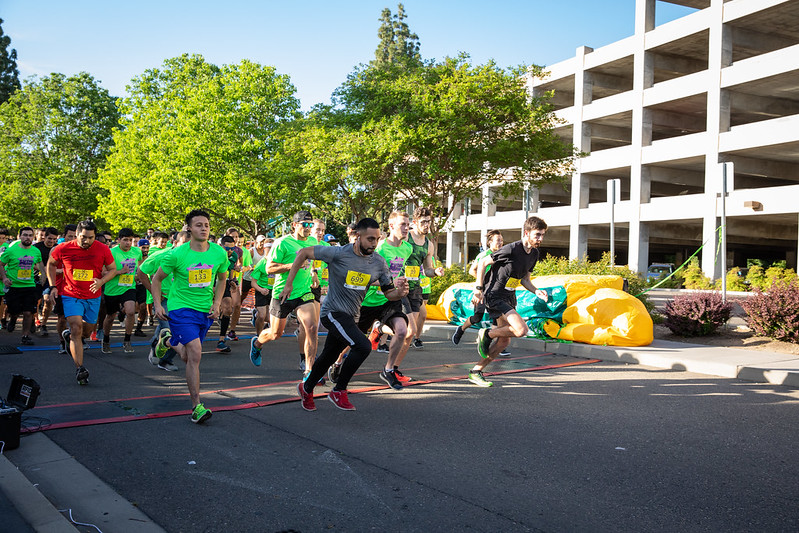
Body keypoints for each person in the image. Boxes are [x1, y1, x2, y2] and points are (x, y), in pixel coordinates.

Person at [286, 217, 409, 411]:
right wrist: (289, 283)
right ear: (357, 236)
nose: (374, 244)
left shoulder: (378, 262)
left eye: (377, 239)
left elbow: (388, 293)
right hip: (333, 312)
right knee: (363, 346)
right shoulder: (338, 253)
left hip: (352, 315)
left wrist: (400, 293)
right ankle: (339, 390)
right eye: (370, 239)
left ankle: (306, 387)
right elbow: (303, 253)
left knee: (329, 355)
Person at [151, 210, 228, 423]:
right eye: (198, 225)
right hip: (180, 308)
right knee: (195, 353)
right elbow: (156, 280)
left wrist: (217, 303)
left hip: (205, 310)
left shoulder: (219, 253)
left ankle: (167, 340)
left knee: (187, 356)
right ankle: (197, 407)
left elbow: (222, 279)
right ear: (189, 228)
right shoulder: (177, 254)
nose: (204, 228)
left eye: (207, 225)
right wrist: (158, 305)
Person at [468, 216, 548, 387]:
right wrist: (478, 288)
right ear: (526, 233)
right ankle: (487, 334)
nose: (540, 239)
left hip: (510, 296)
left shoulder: (534, 253)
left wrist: (536, 291)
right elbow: (482, 263)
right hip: (495, 294)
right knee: (521, 330)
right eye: (537, 235)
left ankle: (476, 371)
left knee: (504, 341)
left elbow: (525, 279)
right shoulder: (511, 249)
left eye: (542, 235)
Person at [249, 211, 319, 377]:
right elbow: (269, 268)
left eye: (310, 225)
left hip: (303, 292)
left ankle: (310, 370)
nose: (308, 228)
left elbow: (312, 260)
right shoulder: (282, 243)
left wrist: (314, 272)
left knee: (312, 327)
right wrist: (292, 265)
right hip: (282, 293)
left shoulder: (312, 241)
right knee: (275, 333)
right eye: (304, 224)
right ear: (294, 225)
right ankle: (257, 343)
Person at [47, 220, 118, 385]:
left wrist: (101, 281)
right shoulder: (63, 248)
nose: (87, 241)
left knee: (86, 333)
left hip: (93, 296)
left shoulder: (103, 249)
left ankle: (68, 337)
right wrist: (52, 286)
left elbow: (113, 269)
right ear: (77, 234)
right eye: (83, 237)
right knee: (76, 328)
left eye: (91, 237)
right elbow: (50, 264)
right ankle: (80, 369)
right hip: (71, 294)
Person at [356, 211, 413, 389]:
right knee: (351, 342)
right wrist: (386, 282)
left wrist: (401, 283)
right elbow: (363, 277)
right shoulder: (379, 248)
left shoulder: (407, 248)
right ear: (391, 226)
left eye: (408, 224)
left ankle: (388, 369)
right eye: (403, 224)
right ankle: (338, 362)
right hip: (369, 300)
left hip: (390, 298)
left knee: (403, 331)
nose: (407, 228)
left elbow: (396, 271)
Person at [393, 207, 444, 379]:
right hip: (400, 287)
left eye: (429, 221)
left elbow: (428, 269)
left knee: (410, 334)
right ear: (415, 222)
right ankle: (390, 366)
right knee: (407, 331)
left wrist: (435, 272)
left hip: (415, 288)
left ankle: (394, 368)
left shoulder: (429, 244)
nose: (427, 225)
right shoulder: (406, 237)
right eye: (423, 221)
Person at [138, 231, 189, 371]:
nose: (187, 247)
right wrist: (155, 294)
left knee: (168, 330)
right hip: (165, 300)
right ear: (175, 243)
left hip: (183, 301)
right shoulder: (161, 256)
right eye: (184, 244)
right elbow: (141, 273)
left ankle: (158, 347)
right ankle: (166, 360)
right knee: (172, 330)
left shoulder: (193, 258)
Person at [452, 230, 503, 345]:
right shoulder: (484, 255)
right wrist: (483, 284)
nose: (500, 243)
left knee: (498, 317)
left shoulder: (502, 255)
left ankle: (497, 345)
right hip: (482, 291)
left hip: (496, 292)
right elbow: (472, 271)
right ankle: (461, 329)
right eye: (497, 241)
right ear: (490, 242)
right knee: (477, 317)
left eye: (502, 241)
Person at [100, 228, 143, 353]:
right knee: (110, 317)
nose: (128, 243)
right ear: (119, 240)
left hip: (129, 287)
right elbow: (103, 272)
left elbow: (140, 265)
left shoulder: (136, 252)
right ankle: (106, 339)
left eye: (130, 240)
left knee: (130, 311)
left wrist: (137, 274)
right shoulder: (111, 252)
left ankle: (127, 340)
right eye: (125, 240)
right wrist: (120, 272)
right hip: (112, 289)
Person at [0, 227, 45, 345]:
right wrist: (4, 278)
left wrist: (43, 275)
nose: (27, 237)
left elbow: (39, 263)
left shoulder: (36, 251)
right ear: (20, 237)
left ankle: (25, 335)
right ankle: (13, 319)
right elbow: (1, 264)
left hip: (29, 285)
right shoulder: (11, 250)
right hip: (13, 286)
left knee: (28, 312)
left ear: (33, 237)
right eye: (25, 235)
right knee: (14, 310)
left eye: (30, 235)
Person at [34, 227, 59, 336]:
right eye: (50, 238)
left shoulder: (57, 249)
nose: (52, 241)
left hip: (50, 279)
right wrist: (43, 270)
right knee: (35, 301)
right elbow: (32, 263)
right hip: (36, 277)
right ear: (44, 237)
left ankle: (43, 324)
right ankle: (34, 320)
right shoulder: (36, 247)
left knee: (48, 300)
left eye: (54, 239)